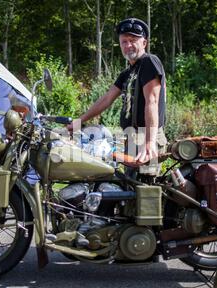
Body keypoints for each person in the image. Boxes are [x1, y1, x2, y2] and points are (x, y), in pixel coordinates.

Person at [67, 18, 167, 176]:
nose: (128, 46)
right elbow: (106, 99)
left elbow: (152, 102)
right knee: (129, 190)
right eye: (124, 41)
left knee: (146, 192)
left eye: (133, 40)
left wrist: (149, 142)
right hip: (131, 137)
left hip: (146, 135)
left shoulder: (149, 62)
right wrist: (79, 121)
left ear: (144, 43)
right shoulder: (127, 73)